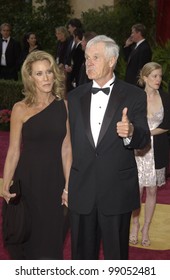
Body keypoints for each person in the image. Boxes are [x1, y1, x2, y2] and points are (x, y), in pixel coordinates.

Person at [67, 35, 150, 260]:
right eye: (86, 58)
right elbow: (66, 145)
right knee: (82, 259)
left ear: (112, 61)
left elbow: (144, 139)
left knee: (116, 258)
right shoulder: (74, 97)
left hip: (116, 192)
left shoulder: (134, 95)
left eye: (95, 57)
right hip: (82, 189)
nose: (88, 63)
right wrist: (65, 186)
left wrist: (131, 132)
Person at [2, 50, 72, 260]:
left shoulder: (64, 106)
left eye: (49, 72)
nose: (46, 78)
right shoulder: (20, 109)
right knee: (26, 238)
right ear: (30, 78)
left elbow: (67, 148)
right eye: (39, 73)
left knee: (52, 239)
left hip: (55, 183)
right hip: (28, 182)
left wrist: (68, 187)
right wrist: (6, 184)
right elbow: (14, 150)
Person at [129, 62, 170, 247]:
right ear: (144, 77)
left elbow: (167, 125)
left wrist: (147, 133)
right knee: (135, 191)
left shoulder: (166, 97)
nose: (158, 80)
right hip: (137, 150)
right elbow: (127, 123)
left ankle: (146, 227)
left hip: (157, 149)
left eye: (160, 76)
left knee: (152, 190)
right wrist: (139, 135)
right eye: (154, 76)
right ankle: (135, 225)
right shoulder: (134, 97)